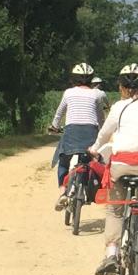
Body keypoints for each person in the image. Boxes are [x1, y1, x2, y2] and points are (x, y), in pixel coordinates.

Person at [92, 62, 138, 275]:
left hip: (121, 165)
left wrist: (95, 148)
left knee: (115, 209)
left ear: (121, 86)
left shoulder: (117, 107)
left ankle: (112, 253)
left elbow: (104, 134)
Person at [48, 62, 107, 197]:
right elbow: (100, 118)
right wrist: (103, 132)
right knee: (90, 160)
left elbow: (59, 113)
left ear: (74, 78)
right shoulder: (96, 95)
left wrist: (54, 126)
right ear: (91, 78)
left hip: (71, 131)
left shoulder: (68, 93)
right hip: (91, 132)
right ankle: (89, 187)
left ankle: (63, 191)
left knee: (63, 160)